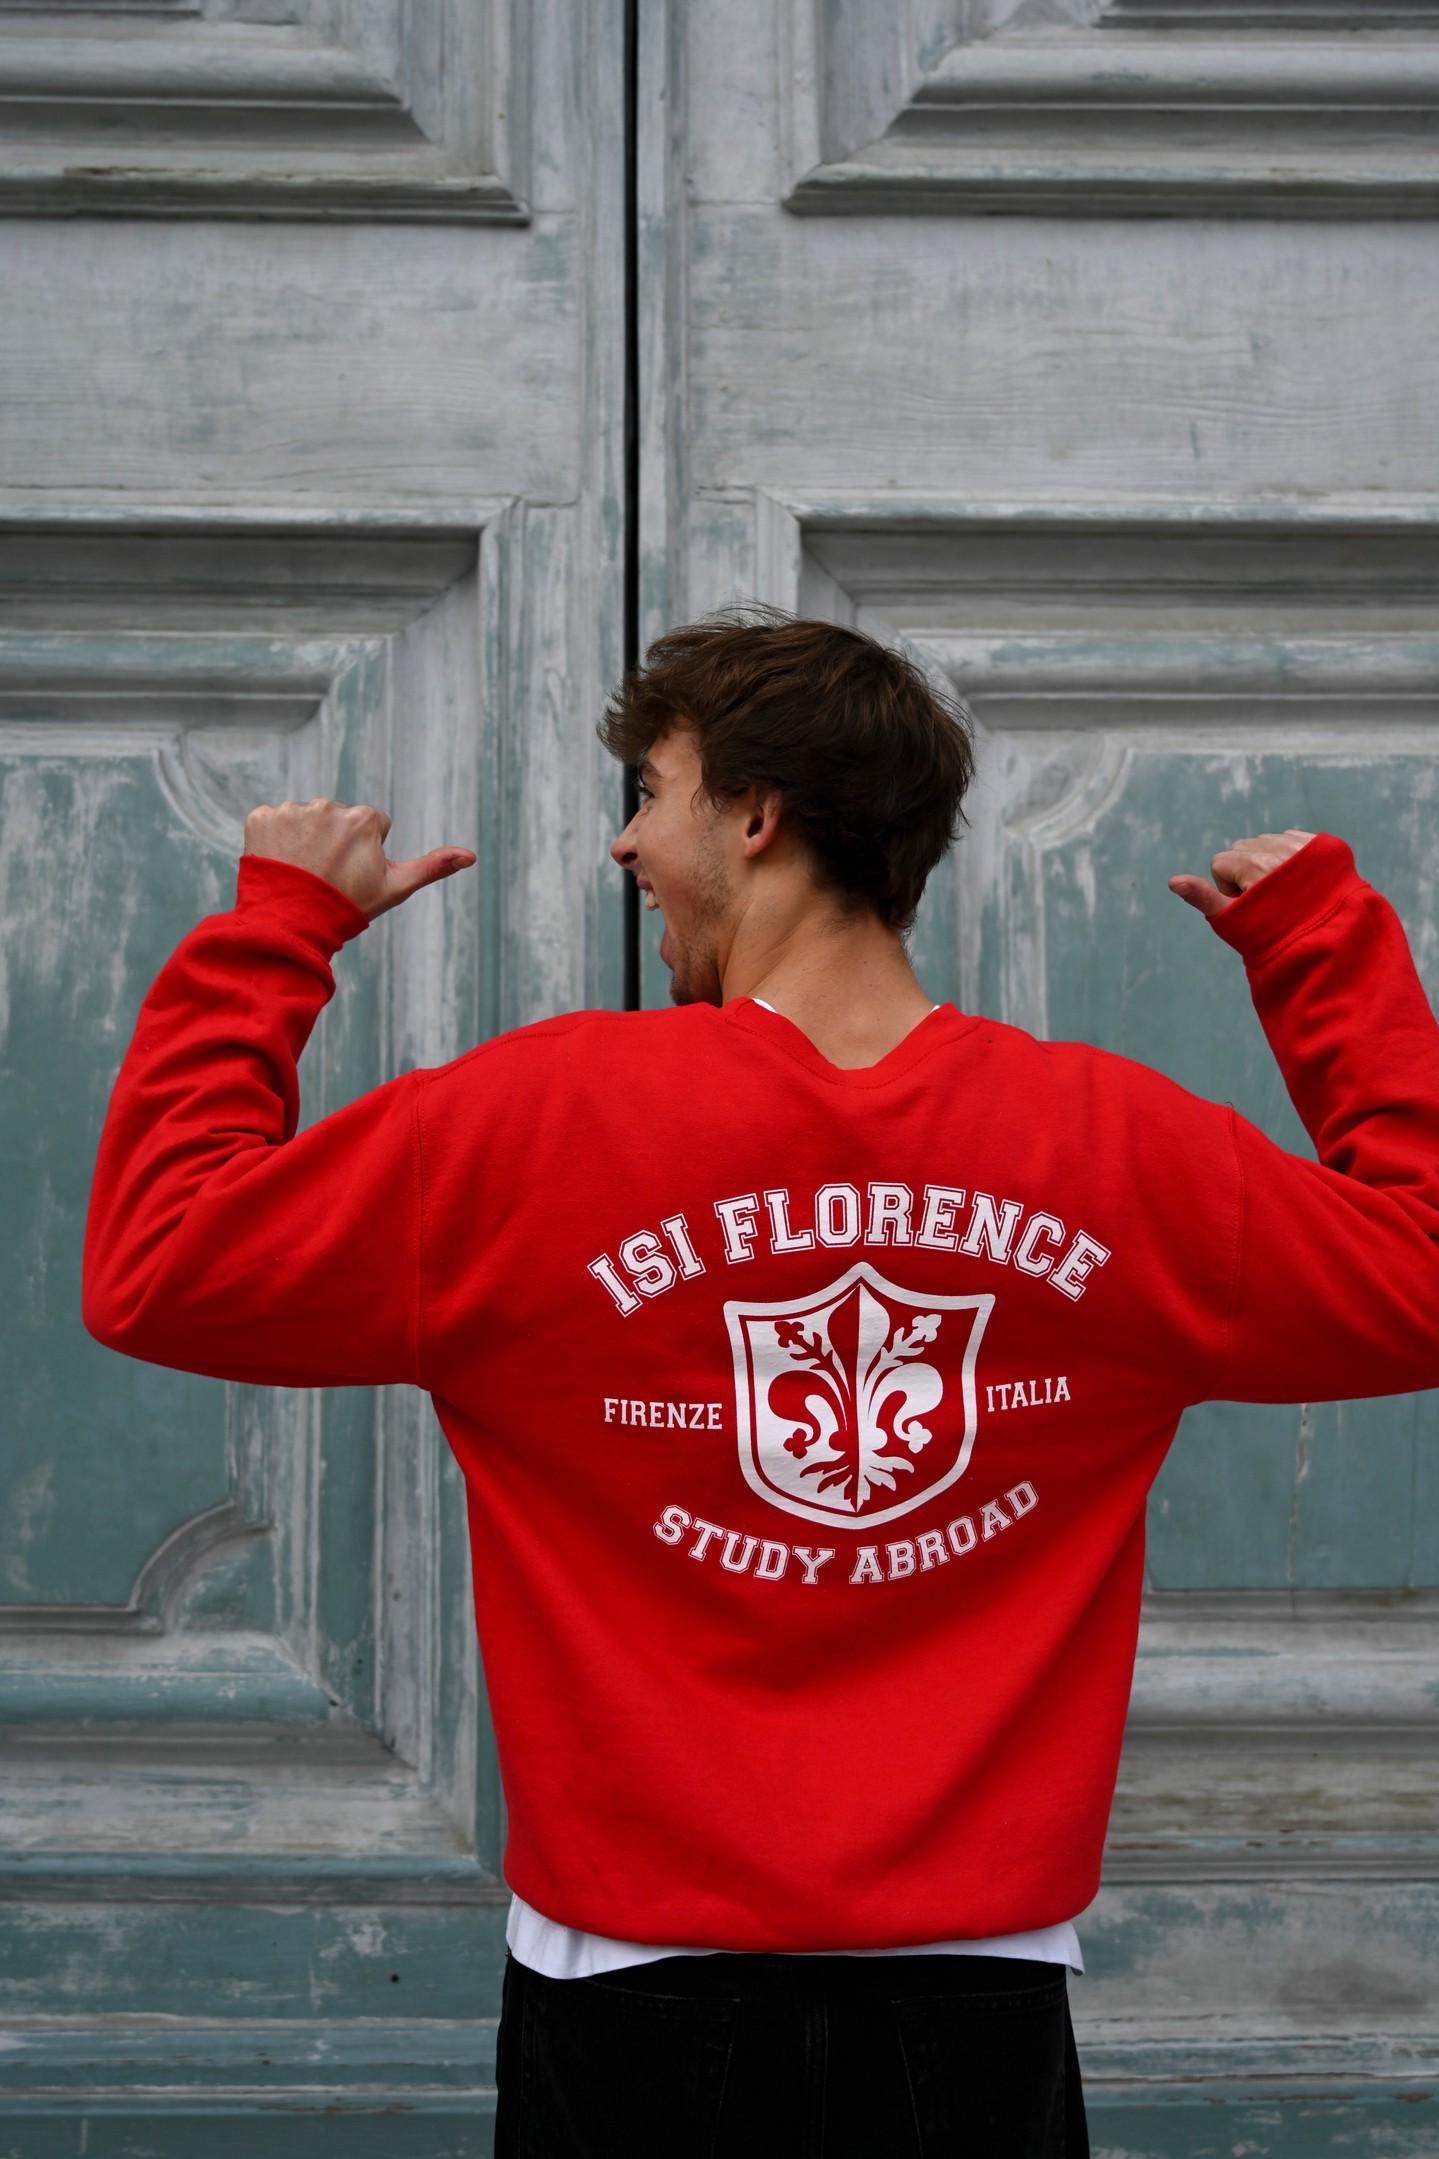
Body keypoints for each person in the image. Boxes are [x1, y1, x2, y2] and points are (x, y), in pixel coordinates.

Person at [83, 610, 1439, 2158]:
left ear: (753, 812)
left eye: (651, 792)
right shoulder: (1124, 1153)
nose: (624, 841)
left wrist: (277, 929)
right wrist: (1323, 953)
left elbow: (160, 1258)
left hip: (626, 2001)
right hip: (973, 2007)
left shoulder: (525, 1131)